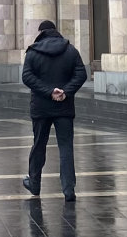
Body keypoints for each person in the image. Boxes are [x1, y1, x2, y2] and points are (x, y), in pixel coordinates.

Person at [21, 20, 88, 201]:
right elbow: (81, 74)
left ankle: (34, 183)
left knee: (39, 145)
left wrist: (49, 91)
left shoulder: (33, 52)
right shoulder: (71, 50)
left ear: (41, 32)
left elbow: (26, 76)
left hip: (41, 107)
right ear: (55, 31)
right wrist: (65, 92)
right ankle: (68, 189)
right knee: (66, 147)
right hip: (64, 107)